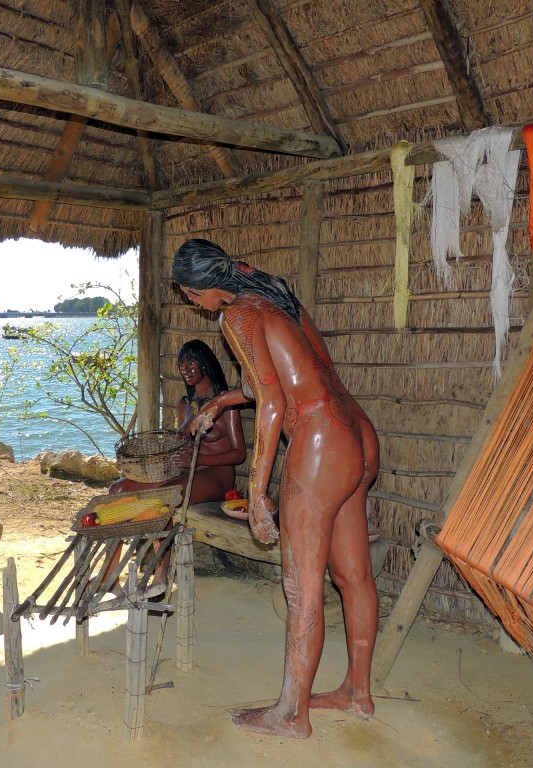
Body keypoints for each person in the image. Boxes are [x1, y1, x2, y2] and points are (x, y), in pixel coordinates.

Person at [171, 238, 380, 739]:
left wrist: (259, 491)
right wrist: (219, 402)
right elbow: (293, 376)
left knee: (301, 582)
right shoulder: (277, 297)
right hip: (356, 432)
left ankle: (292, 713)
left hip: (320, 441)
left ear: (203, 287)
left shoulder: (235, 316)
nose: (192, 305)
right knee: (354, 575)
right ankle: (357, 691)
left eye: (189, 296)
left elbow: (269, 401)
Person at [109, 339, 246, 506]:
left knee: (166, 497)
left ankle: (160, 532)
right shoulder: (184, 404)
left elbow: (240, 454)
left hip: (216, 475)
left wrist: (200, 459)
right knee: (118, 489)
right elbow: (179, 444)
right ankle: (132, 531)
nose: (185, 368)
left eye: (191, 362)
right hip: (185, 472)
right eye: (181, 364)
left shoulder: (225, 404)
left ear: (204, 363)